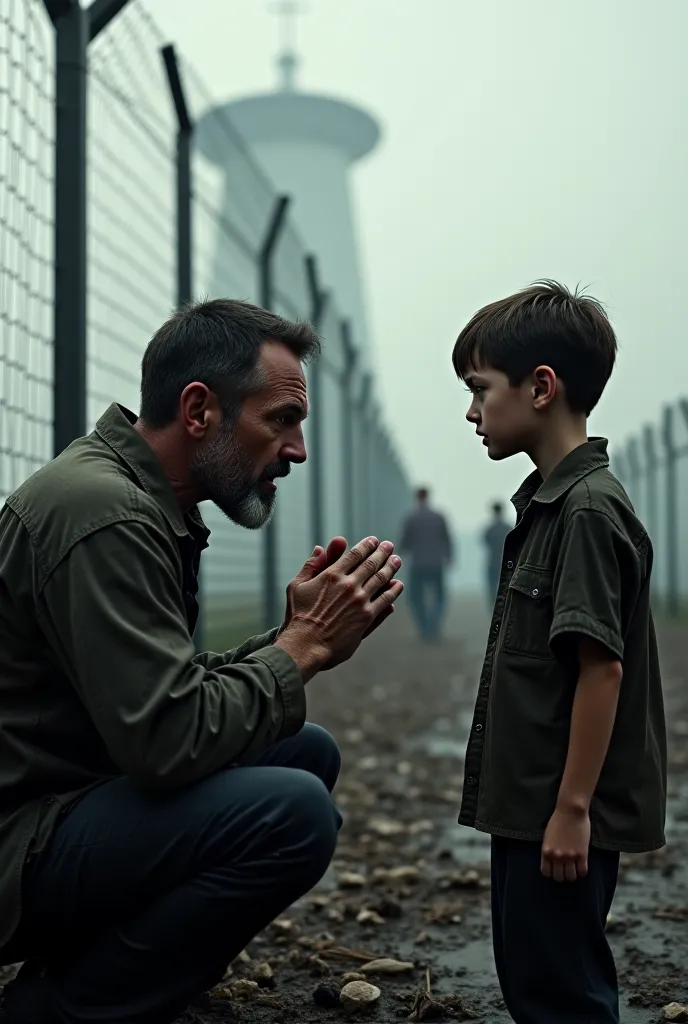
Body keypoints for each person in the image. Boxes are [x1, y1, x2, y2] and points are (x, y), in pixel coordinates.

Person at [0, 299, 404, 1024]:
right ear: (199, 411)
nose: (298, 449)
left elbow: (159, 698)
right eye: (281, 419)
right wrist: (300, 649)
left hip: (63, 807)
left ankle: (102, 972)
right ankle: (56, 1011)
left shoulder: (141, 504)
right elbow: (166, 742)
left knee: (301, 752)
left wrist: (287, 635)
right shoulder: (105, 515)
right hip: (18, 844)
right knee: (295, 813)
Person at [452, 280, 666, 1024]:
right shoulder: (554, 504)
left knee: (562, 996)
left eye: (481, 389)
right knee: (534, 978)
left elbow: (600, 668)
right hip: (533, 804)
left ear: (541, 387)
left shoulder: (586, 510)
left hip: (556, 807)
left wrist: (573, 809)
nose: (472, 412)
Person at [399, 487, 454, 641]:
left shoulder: (411, 518)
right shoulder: (438, 517)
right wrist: (449, 557)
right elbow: (447, 539)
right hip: (436, 563)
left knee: (415, 598)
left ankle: (424, 628)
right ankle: (434, 625)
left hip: (417, 564)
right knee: (439, 597)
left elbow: (404, 542)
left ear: (417, 498)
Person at [482, 501, 511, 608]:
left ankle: (494, 607)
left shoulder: (490, 529)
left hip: (493, 561)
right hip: (506, 561)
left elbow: (485, 542)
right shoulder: (508, 527)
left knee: (492, 587)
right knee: (505, 585)